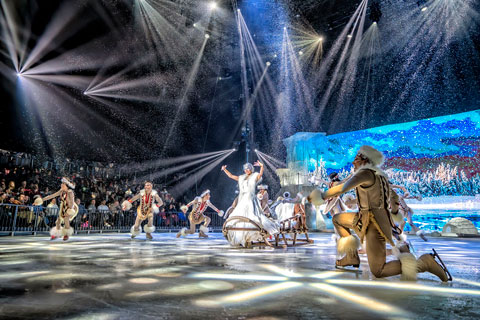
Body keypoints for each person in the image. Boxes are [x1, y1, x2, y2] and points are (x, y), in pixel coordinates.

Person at [307, 145, 450, 282]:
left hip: (373, 225)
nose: (353, 161)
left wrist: (321, 196)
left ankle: (425, 263)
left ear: (365, 160)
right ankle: (351, 256)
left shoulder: (365, 173)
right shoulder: (380, 176)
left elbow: (342, 188)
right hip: (363, 218)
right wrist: (393, 215)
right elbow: (393, 198)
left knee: (379, 271)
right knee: (338, 219)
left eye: (356, 158)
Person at [222, 161, 280, 247]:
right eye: (245, 169)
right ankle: (241, 235)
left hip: (250, 198)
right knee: (239, 214)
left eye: (248, 168)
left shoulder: (254, 176)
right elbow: (231, 176)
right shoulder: (242, 177)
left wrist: (262, 166)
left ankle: (253, 231)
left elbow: (260, 175)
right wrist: (224, 170)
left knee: (252, 215)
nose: (247, 170)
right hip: (243, 199)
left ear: (251, 169)